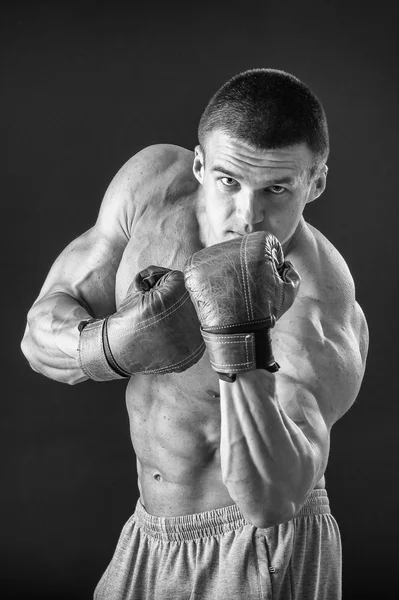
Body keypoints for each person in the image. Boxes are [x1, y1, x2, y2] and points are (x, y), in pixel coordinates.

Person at [21, 68, 369, 599]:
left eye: (277, 188)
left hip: (258, 548)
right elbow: (38, 338)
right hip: (149, 534)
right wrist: (113, 343)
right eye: (229, 181)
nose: (248, 216)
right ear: (201, 165)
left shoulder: (320, 297)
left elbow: (274, 499)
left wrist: (240, 339)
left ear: (315, 183)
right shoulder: (153, 188)